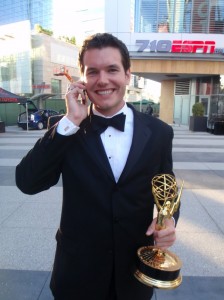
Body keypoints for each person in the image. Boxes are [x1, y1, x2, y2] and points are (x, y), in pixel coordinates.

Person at [16, 33, 179, 300]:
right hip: (77, 275)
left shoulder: (159, 132)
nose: (102, 80)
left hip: (134, 276)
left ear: (128, 74)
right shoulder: (67, 127)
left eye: (112, 69)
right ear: (82, 79)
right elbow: (27, 182)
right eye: (93, 72)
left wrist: (169, 219)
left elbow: (167, 188)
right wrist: (70, 123)